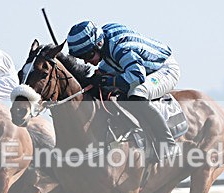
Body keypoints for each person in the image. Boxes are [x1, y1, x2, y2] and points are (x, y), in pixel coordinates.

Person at [66, 20, 181, 163]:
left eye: (88, 56)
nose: (86, 62)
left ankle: (168, 144)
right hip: (130, 65)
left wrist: (107, 82)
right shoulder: (105, 43)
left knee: (136, 95)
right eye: (81, 58)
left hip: (164, 68)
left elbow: (137, 76)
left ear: (99, 44)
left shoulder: (121, 47)